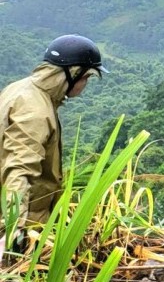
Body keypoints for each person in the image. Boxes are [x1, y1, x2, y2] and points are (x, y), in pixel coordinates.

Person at [1, 35, 106, 253]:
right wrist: (14, 232)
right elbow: (19, 171)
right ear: (72, 73)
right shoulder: (35, 112)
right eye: (86, 77)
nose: (86, 84)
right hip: (24, 225)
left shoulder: (21, 89)